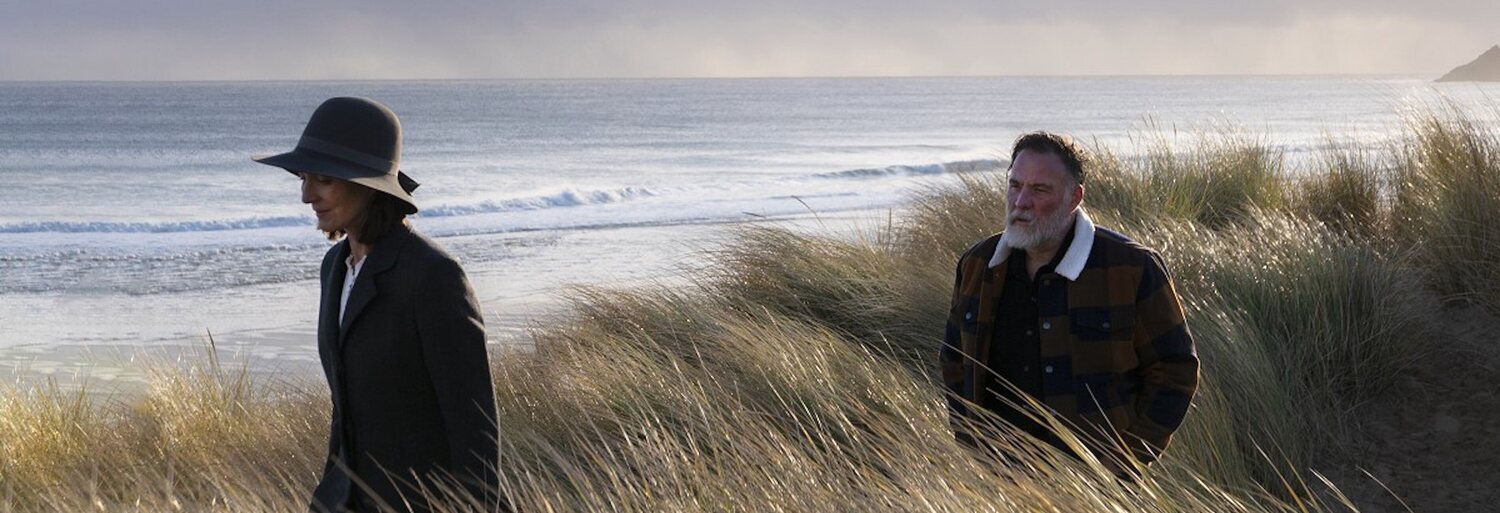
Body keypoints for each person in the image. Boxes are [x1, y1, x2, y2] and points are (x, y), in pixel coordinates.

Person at [253, 97, 501, 512]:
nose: (306, 195)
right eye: (303, 176)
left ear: (367, 183)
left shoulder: (432, 275)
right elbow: (346, 412)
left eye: (324, 179)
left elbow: (474, 428)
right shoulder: (335, 268)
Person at [939, 132, 1199, 476]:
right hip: (998, 480)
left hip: (1097, 486)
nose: (1021, 202)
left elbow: (1174, 370)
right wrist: (971, 441)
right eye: (1015, 185)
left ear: (1074, 196)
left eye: (1039, 189)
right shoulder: (978, 265)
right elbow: (955, 360)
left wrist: (1125, 462)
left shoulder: (1130, 267)